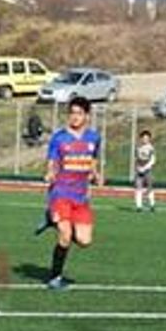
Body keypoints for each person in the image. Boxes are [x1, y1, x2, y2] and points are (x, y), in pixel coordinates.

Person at [43, 96, 102, 289]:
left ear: (87, 116)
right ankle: (55, 278)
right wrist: (50, 173)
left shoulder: (94, 138)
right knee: (65, 235)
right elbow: (52, 162)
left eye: (79, 113)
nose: (75, 117)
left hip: (81, 197)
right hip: (60, 194)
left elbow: (93, 160)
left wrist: (95, 174)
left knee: (84, 241)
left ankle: (52, 220)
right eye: (72, 113)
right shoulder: (59, 138)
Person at [134, 130, 156, 213]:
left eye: (147, 138)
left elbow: (153, 160)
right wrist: (138, 168)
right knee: (138, 187)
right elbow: (136, 159)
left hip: (147, 170)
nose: (145, 140)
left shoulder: (151, 148)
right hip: (139, 170)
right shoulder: (138, 147)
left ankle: (152, 204)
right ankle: (139, 206)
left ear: (149, 139)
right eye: (143, 138)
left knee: (149, 187)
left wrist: (146, 167)